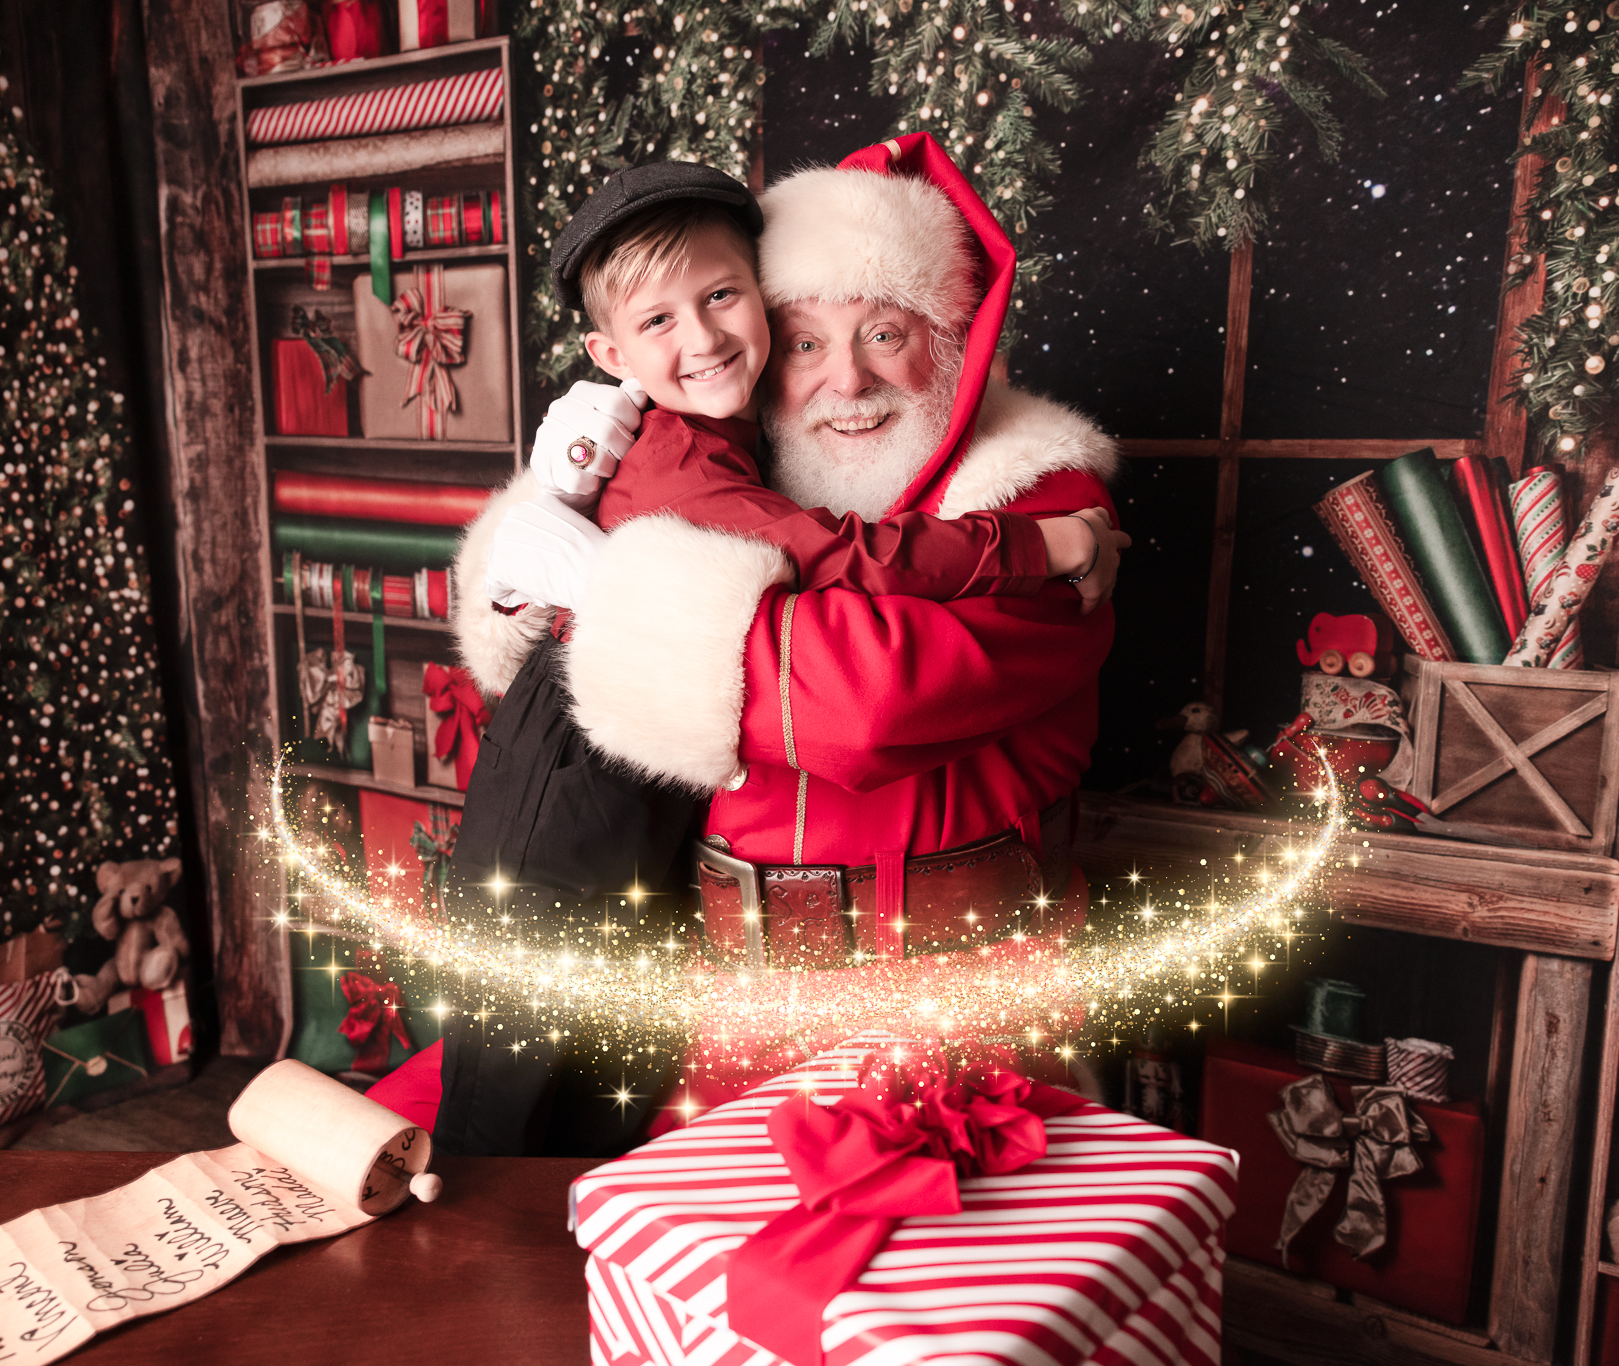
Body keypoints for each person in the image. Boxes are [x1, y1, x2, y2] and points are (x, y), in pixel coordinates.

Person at [373, 133, 1124, 1139]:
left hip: (958, 1011)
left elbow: (859, 710)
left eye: (884, 333)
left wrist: (612, 592)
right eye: (806, 339)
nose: (844, 381)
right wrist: (572, 535)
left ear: (950, 337)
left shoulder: (1038, 494)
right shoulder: (725, 467)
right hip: (723, 1006)